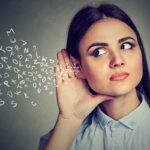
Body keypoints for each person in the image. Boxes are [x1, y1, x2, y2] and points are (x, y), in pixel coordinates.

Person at [38, 3, 150, 150]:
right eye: (99, 52)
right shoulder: (61, 138)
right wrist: (69, 119)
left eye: (126, 46)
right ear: (78, 67)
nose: (117, 60)